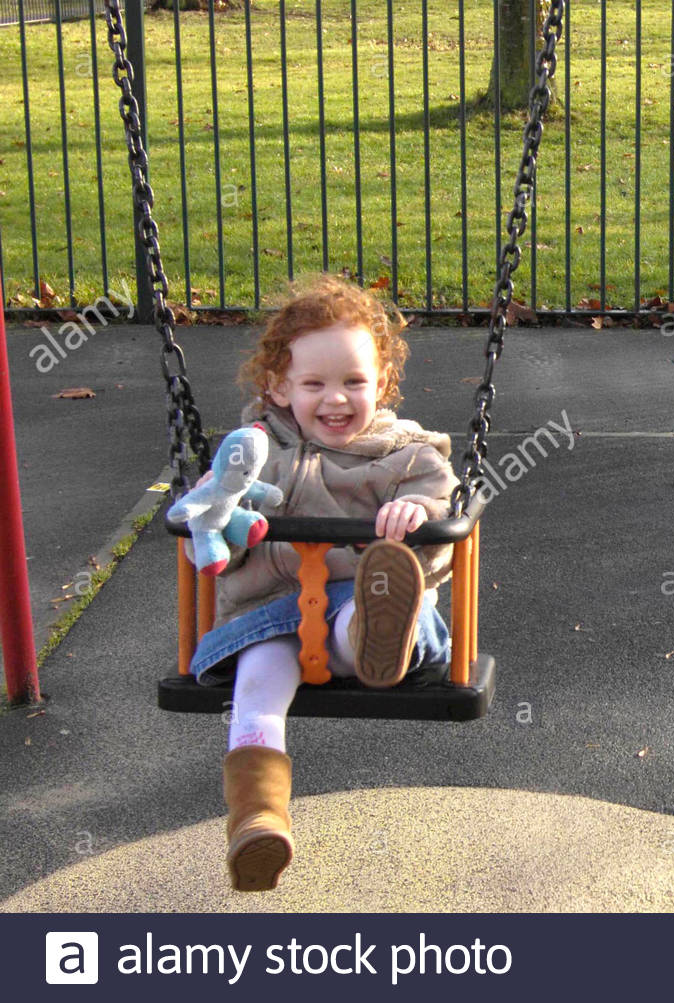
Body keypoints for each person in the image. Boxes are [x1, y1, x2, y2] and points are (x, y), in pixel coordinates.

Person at [187, 275, 457, 891]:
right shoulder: (253, 454)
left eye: (354, 382)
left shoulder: (407, 457)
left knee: (357, 611)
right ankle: (258, 819)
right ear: (278, 387)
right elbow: (212, 518)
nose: (336, 399)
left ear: (382, 383)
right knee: (256, 684)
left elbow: (443, 509)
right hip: (270, 610)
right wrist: (212, 513)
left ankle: (374, 631)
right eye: (315, 384)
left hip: (361, 598)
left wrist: (418, 516)